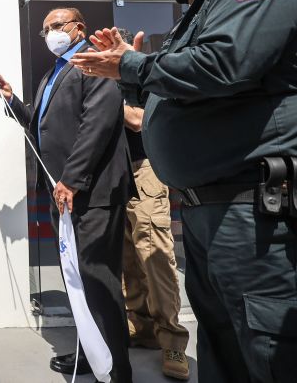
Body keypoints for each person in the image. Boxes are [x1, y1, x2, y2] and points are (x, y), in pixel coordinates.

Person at [71, 0, 297, 383]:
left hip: (260, 212)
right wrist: (132, 75)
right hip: (212, 210)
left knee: (270, 350)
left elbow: (224, 65)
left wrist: (132, 66)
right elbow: (183, 92)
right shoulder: (206, 9)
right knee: (223, 345)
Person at [0, 7, 135, 383]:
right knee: (77, 278)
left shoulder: (94, 62)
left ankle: (117, 370)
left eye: (56, 26)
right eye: (46, 30)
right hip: (64, 194)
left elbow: (97, 124)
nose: (51, 33)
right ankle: (93, 352)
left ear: (78, 28)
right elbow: (40, 125)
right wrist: (12, 100)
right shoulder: (53, 72)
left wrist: (71, 180)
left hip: (92, 192)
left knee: (98, 279)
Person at [115, 28, 189, 380]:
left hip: (143, 169)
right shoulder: (95, 78)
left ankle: (172, 340)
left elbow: (139, 120)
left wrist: (109, 95)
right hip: (113, 175)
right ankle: (141, 326)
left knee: (154, 255)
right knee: (127, 257)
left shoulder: (145, 74)